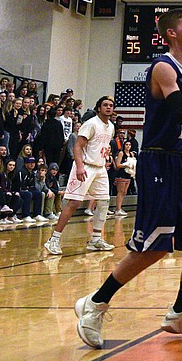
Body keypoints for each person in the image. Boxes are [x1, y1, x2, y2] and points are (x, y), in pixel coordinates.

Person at [71, 9, 182, 350]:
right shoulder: (163, 66)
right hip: (158, 160)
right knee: (154, 246)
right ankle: (95, 304)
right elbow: (178, 111)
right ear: (171, 34)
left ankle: (180, 311)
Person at [44, 96, 117, 252]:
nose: (108, 108)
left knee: (104, 202)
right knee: (74, 203)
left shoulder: (111, 126)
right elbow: (78, 146)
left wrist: (106, 155)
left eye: (111, 105)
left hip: (100, 167)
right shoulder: (91, 124)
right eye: (105, 105)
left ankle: (96, 239)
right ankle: (53, 240)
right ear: (99, 108)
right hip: (85, 166)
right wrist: (79, 166)